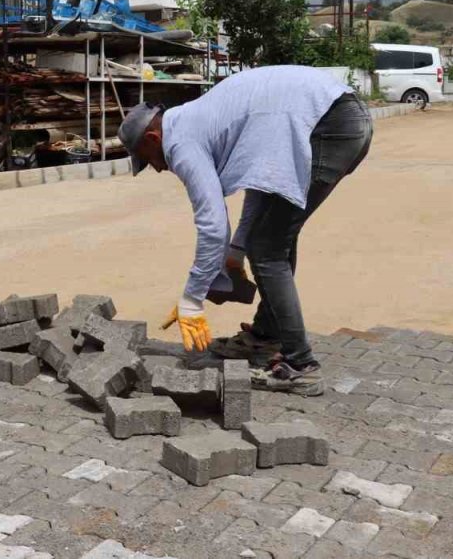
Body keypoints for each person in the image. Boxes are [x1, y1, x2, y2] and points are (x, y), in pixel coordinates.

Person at [118, 66, 373, 396]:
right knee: (272, 239)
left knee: (267, 249)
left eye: (148, 159)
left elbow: (211, 225)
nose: (156, 167)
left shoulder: (181, 142)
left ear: (153, 139)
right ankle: (266, 337)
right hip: (339, 118)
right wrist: (236, 253)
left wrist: (192, 301)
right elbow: (263, 184)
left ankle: (301, 367)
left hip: (327, 125)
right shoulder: (204, 118)